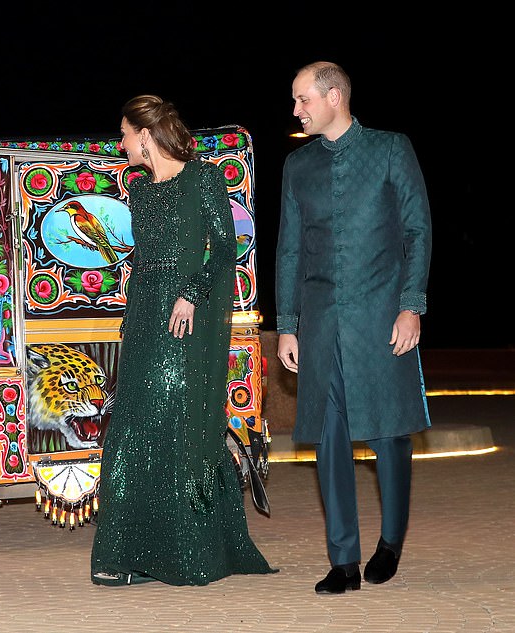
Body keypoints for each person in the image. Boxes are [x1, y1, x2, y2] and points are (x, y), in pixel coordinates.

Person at [90, 95, 276, 586]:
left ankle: (189, 552)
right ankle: (128, 555)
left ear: (146, 135)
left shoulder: (205, 178)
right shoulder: (141, 191)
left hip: (187, 321)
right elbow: (144, 261)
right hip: (147, 316)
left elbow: (225, 249)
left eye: (125, 132)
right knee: (132, 429)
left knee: (180, 429)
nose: (122, 142)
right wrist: (132, 318)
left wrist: (190, 294)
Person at [275, 61, 433, 594]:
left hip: (383, 319)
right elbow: (290, 249)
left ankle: (390, 543)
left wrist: (412, 304)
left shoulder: (391, 149)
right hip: (320, 323)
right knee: (328, 437)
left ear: (334, 95)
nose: (296, 109)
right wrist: (288, 324)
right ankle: (343, 560)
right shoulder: (298, 165)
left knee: (390, 433)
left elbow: (418, 228)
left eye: (303, 99)